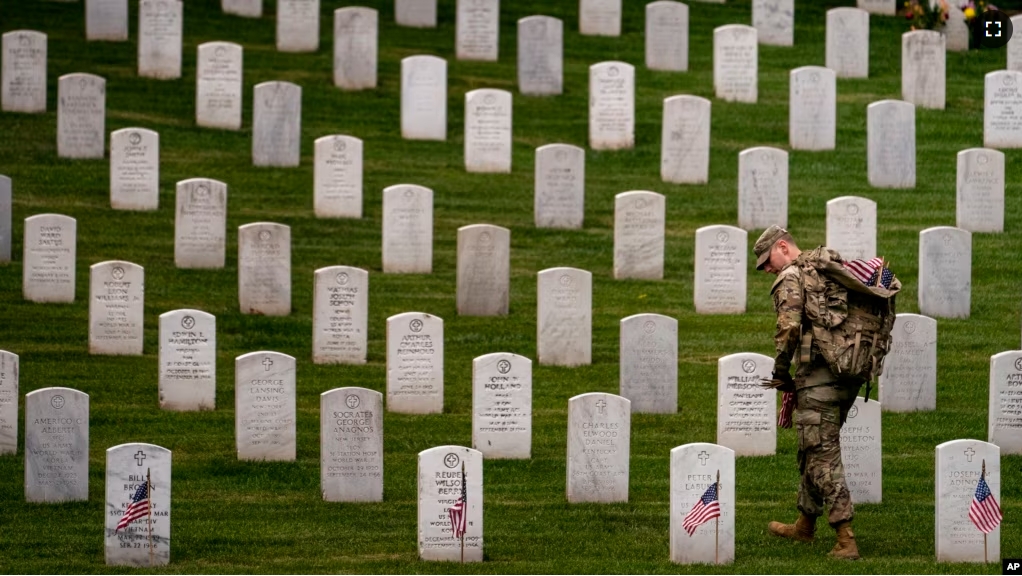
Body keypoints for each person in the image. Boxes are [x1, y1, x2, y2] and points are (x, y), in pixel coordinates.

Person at [753, 225, 862, 561]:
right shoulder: (826, 269)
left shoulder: (791, 277)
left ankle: (846, 539)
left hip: (819, 378)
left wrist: (780, 372)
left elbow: (789, 327)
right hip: (847, 374)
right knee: (812, 448)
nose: (765, 268)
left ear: (783, 247)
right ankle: (804, 524)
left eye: (766, 260)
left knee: (822, 454)